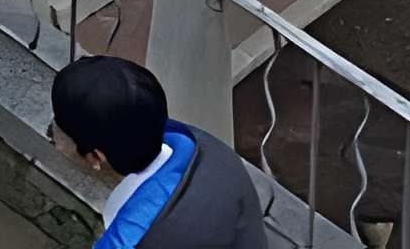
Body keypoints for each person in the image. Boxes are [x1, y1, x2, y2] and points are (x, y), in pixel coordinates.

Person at [48, 54, 267, 249]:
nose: (52, 133)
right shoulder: (204, 145)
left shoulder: (127, 241)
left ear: (96, 157)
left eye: (57, 131)